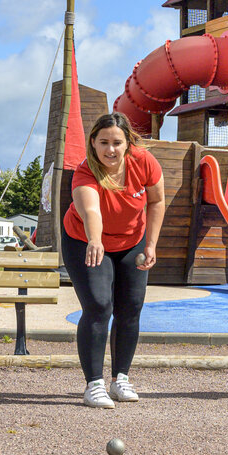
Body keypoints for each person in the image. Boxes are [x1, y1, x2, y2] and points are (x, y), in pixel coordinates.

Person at [62, 112, 165, 408]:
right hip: (85, 240)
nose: (110, 149)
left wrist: (152, 244)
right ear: (93, 142)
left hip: (132, 241)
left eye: (117, 143)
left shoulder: (144, 162)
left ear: (128, 143)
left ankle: (121, 379)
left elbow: (157, 201)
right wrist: (95, 240)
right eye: (104, 142)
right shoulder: (85, 172)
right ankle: (93, 384)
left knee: (131, 307)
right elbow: (91, 210)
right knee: (98, 304)